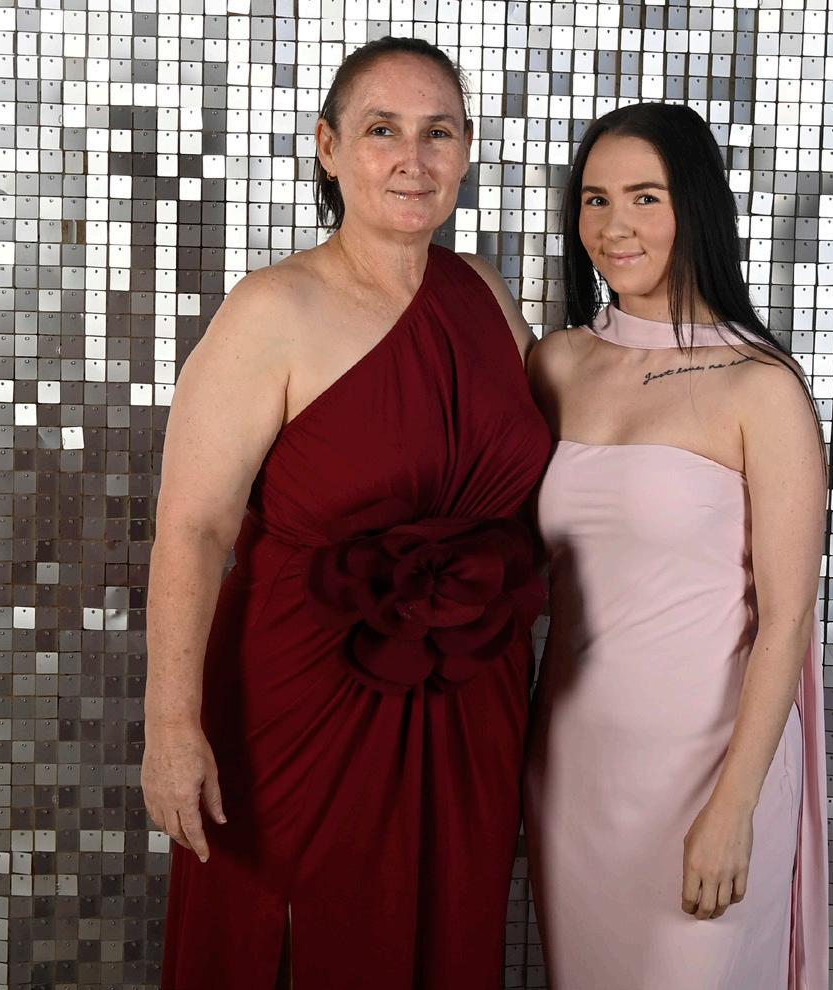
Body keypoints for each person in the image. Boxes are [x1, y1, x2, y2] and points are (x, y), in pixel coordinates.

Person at [141, 36, 551, 989]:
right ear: (328, 147)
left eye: (437, 132)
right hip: (303, 692)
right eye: (382, 131)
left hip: (470, 697)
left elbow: (566, 467)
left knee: (446, 927)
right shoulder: (271, 308)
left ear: (466, 150)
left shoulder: (484, 293)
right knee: (298, 934)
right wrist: (171, 726)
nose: (413, 158)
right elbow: (194, 529)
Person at [523, 102, 829, 989]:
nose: (614, 226)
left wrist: (734, 809)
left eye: (645, 197)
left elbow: (786, 621)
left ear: (695, 206)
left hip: (713, 774)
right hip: (575, 770)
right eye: (595, 199)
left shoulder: (760, 387)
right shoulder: (555, 365)